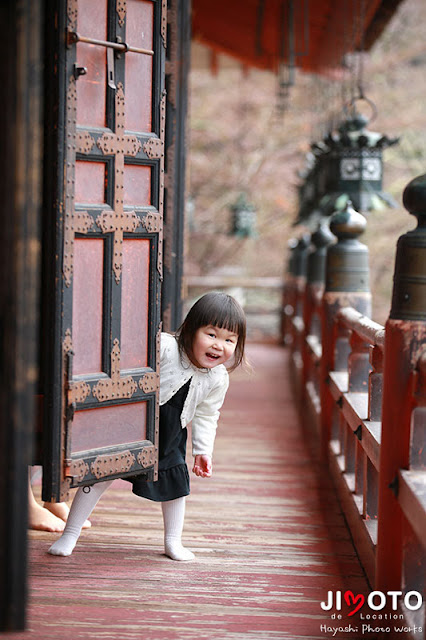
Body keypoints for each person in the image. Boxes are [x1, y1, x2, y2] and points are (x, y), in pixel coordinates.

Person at [48, 292, 247, 561]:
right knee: (98, 477)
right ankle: (70, 534)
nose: (218, 345)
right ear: (190, 329)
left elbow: (207, 414)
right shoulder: (166, 348)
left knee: (177, 485)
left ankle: (173, 541)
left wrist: (203, 451)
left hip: (170, 434)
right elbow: (130, 359)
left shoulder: (218, 378)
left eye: (229, 340)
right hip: (132, 424)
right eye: (211, 335)